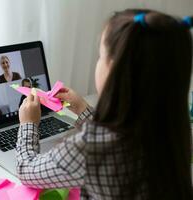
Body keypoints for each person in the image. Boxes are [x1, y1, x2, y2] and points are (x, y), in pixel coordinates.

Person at [16, 9, 193, 200]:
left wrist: (28, 124)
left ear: (116, 70)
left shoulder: (90, 146)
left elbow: (26, 170)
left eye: (100, 55)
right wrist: (82, 109)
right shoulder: (177, 130)